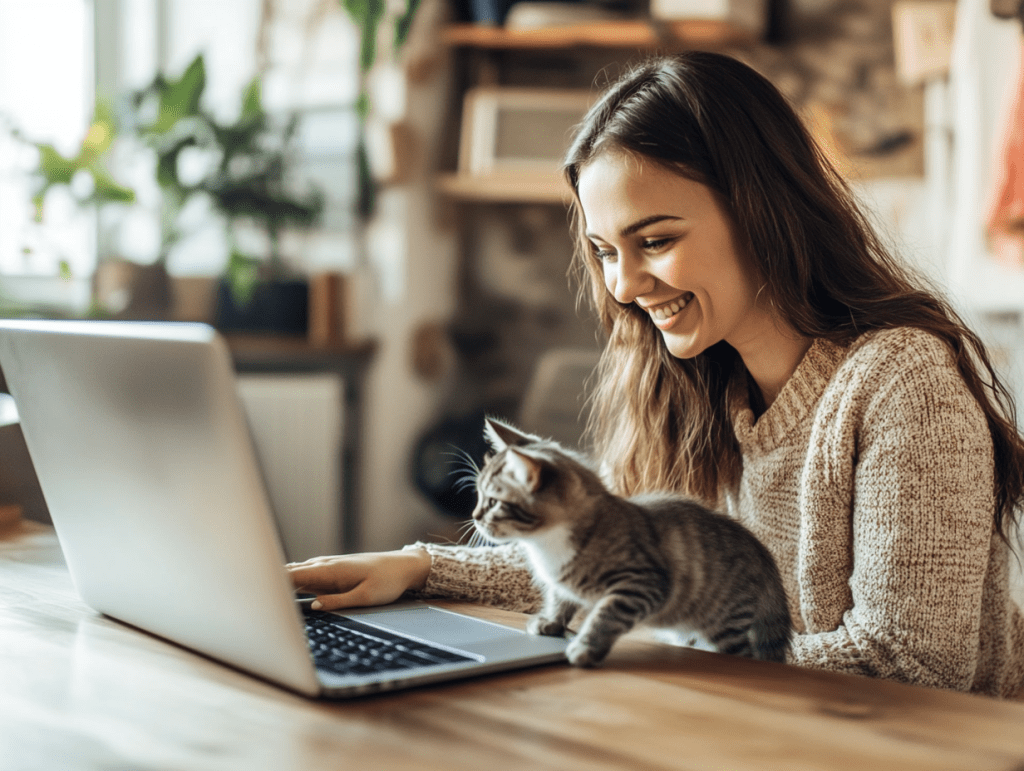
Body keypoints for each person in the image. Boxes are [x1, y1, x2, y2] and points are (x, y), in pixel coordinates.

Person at [288, 52, 1024, 697]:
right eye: (606, 251)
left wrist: (657, 651)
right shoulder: (701, 387)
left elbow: (910, 666)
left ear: (763, 210)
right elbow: (602, 555)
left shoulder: (901, 382)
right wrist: (415, 567)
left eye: (656, 240)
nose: (625, 285)